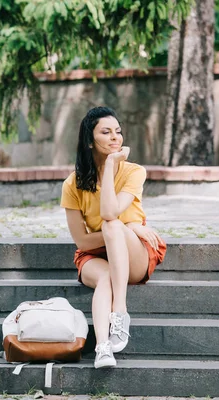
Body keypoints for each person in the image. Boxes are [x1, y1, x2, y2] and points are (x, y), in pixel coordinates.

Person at [60, 106, 166, 368]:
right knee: (106, 268)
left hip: (133, 253)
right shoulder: (72, 184)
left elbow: (110, 213)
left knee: (111, 226)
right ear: (89, 140)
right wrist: (127, 226)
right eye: (106, 132)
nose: (115, 137)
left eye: (118, 132)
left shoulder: (133, 172)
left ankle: (120, 310)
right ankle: (103, 348)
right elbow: (82, 242)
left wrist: (110, 167)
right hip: (94, 253)